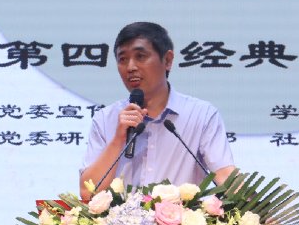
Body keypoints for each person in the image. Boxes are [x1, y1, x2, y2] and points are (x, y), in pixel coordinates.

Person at [79, 21, 236, 202]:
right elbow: (87, 192)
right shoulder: (105, 119)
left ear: (167, 60)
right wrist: (118, 139)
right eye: (123, 59)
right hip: (119, 220)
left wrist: (254, 207)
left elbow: (225, 175)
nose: (130, 67)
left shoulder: (202, 115)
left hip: (180, 220)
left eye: (140, 56)